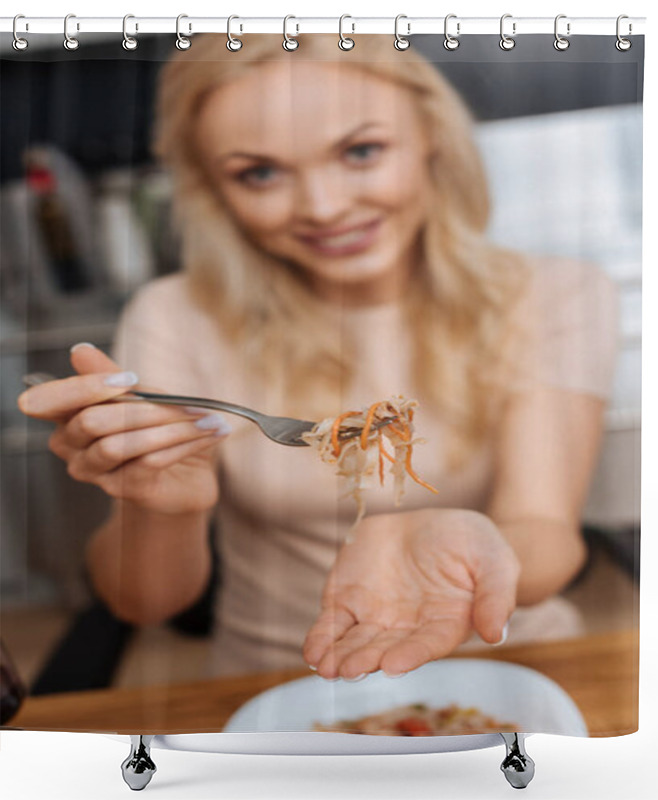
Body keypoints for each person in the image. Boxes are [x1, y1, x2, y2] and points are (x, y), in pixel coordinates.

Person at [17, 35, 617, 683]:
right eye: (260, 173)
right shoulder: (174, 316)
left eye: (361, 152)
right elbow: (144, 602)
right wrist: (163, 507)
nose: (324, 208)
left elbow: (543, 530)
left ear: (431, 137)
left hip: (516, 669)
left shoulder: (556, 292)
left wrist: (471, 543)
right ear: (213, 189)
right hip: (277, 687)